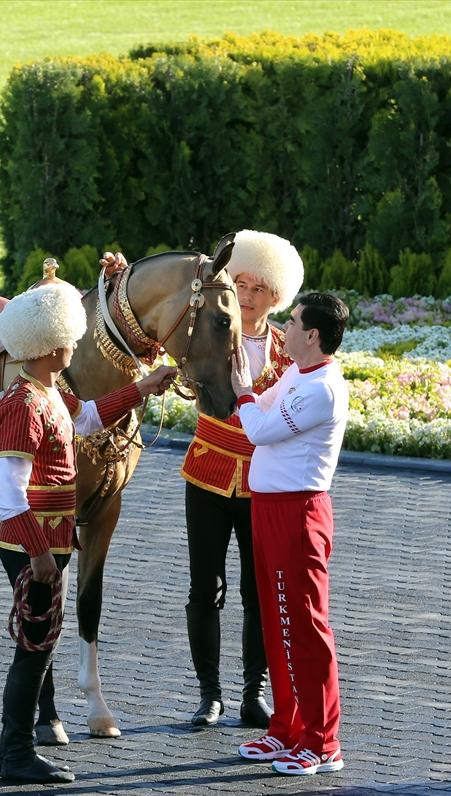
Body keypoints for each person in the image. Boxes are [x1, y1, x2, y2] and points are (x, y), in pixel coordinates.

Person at [0, 261, 176, 784]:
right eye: (69, 338)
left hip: (49, 543)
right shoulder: (23, 405)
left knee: (39, 643)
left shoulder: (50, 392)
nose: (76, 344)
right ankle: (17, 753)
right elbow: (8, 490)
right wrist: (40, 554)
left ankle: (13, 752)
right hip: (35, 547)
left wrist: (144, 388)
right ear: (51, 346)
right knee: (34, 648)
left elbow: (88, 416)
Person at [175, 231, 303, 728]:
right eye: (241, 285)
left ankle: (255, 692)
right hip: (206, 475)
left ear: (277, 298)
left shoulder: (287, 352)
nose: (247, 298)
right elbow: (150, 335)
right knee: (204, 588)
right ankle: (209, 694)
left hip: (263, 485)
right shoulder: (206, 332)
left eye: (259, 290)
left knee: (260, 591)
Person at [231, 292, 351, 777]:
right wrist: (246, 396)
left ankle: (323, 744)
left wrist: (240, 391)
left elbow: (257, 427)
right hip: (270, 510)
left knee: (304, 627)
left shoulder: (320, 388)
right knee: (278, 625)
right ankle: (287, 728)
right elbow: (259, 410)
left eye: (295, 320)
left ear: (313, 335)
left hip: (298, 516)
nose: (287, 325)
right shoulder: (296, 374)